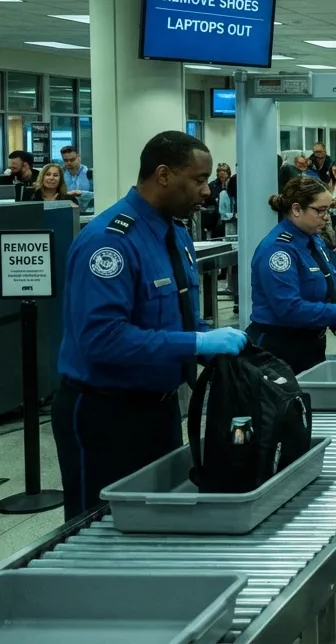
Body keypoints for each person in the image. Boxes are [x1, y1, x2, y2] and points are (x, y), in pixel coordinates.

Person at [51, 131, 248, 518]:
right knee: (101, 528)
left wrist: (214, 342)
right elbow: (102, 339)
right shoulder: (109, 243)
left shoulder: (174, 234)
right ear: (162, 175)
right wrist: (194, 344)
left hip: (159, 408)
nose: (205, 192)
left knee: (158, 517)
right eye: (197, 180)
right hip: (105, 413)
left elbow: (180, 316)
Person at [249, 177, 336, 373]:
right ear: (296, 210)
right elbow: (290, 309)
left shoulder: (313, 241)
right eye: (320, 210)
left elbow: (325, 297)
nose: (327, 216)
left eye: (328, 209)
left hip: (310, 345)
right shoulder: (279, 251)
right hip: (279, 349)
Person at [60, 145, 93, 209]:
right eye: (66, 160)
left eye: (72, 160)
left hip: (87, 212)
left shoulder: (90, 174)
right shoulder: (60, 174)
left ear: (79, 157)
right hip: (65, 210)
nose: (69, 163)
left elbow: (99, 196)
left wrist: (82, 193)